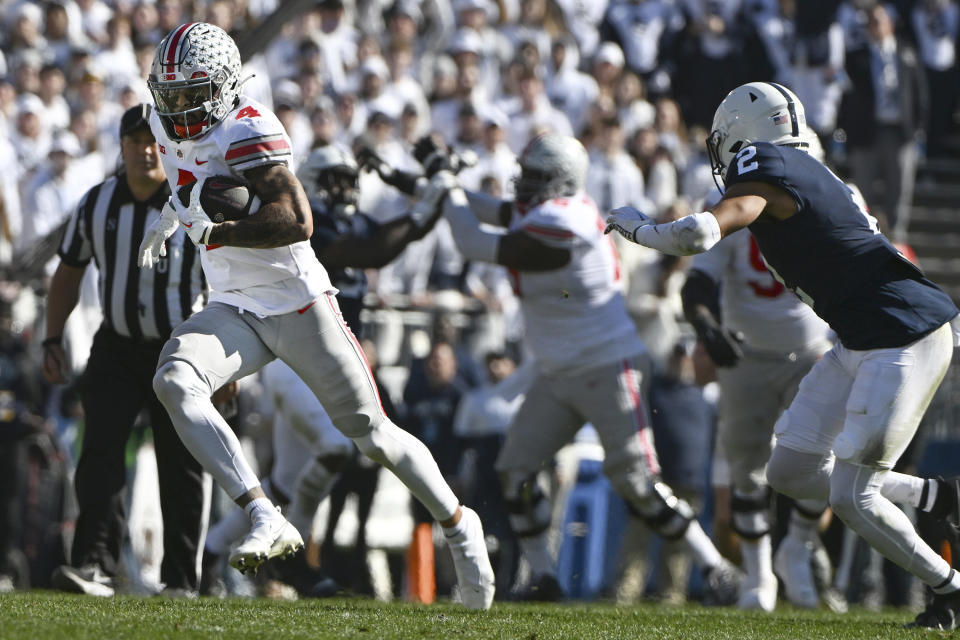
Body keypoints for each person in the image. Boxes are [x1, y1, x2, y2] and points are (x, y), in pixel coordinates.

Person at [137, 23, 493, 609]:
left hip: (299, 302)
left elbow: (296, 221)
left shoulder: (248, 125)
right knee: (173, 380)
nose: (175, 108)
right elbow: (194, 183)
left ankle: (461, 527)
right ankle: (262, 513)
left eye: (189, 93)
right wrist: (176, 210)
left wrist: (215, 229)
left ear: (223, 87)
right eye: (168, 93)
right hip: (235, 305)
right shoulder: (162, 121)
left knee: (373, 435)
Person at [606, 81, 960, 629]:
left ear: (747, 135)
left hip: (902, 335)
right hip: (861, 339)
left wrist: (642, 229)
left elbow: (699, 235)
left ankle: (948, 589)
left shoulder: (766, 164)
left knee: (852, 497)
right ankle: (934, 497)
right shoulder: (805, 171)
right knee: (790, 469)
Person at [411, 132, 742, 603]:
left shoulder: (562, 222)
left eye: (534, 176)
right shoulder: (552, 209)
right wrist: (431, 178)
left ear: (559, 182)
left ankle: (714, 568)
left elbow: (471, 240)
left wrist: (444, 183)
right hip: (558, 370)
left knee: (637, 483)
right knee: (515, 471)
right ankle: (544, 575)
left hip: (609, 365)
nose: (523, 183)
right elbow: (490, 210)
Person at [201, 144, 448, 597]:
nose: (344, 189)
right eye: (333, 179)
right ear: (310, 183)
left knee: (285, 483)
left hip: (318, 363)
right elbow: (376, 250)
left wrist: (430, 186)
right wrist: (422, 210)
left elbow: (400, 234)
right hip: (290, 363)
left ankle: (212, 553)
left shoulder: (349, 221)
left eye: (348, 179)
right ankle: (295, 563)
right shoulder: (307, 225)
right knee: (336, 450)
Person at [43, 104, 207, 597]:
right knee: (100, 456)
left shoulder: (190, 201)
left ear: (170, 146)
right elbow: (68, 274)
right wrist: (53, 337)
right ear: (121, 146)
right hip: (115, 343)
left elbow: (223, 284)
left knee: (182, 464)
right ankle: (94, 565)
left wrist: (225, 362)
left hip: (178, 347)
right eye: (135, 140)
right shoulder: (97, 203)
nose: (145, 149)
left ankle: (180, 579)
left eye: (154, 139)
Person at [680, 147, 837, 610]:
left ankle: (798, 548)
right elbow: (698, 283)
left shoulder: (838, 196)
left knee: (824, 462)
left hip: (812, 351)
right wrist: (707, 326)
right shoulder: (728, 201)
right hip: (748, 354)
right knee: (746, 471)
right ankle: (759, 575)